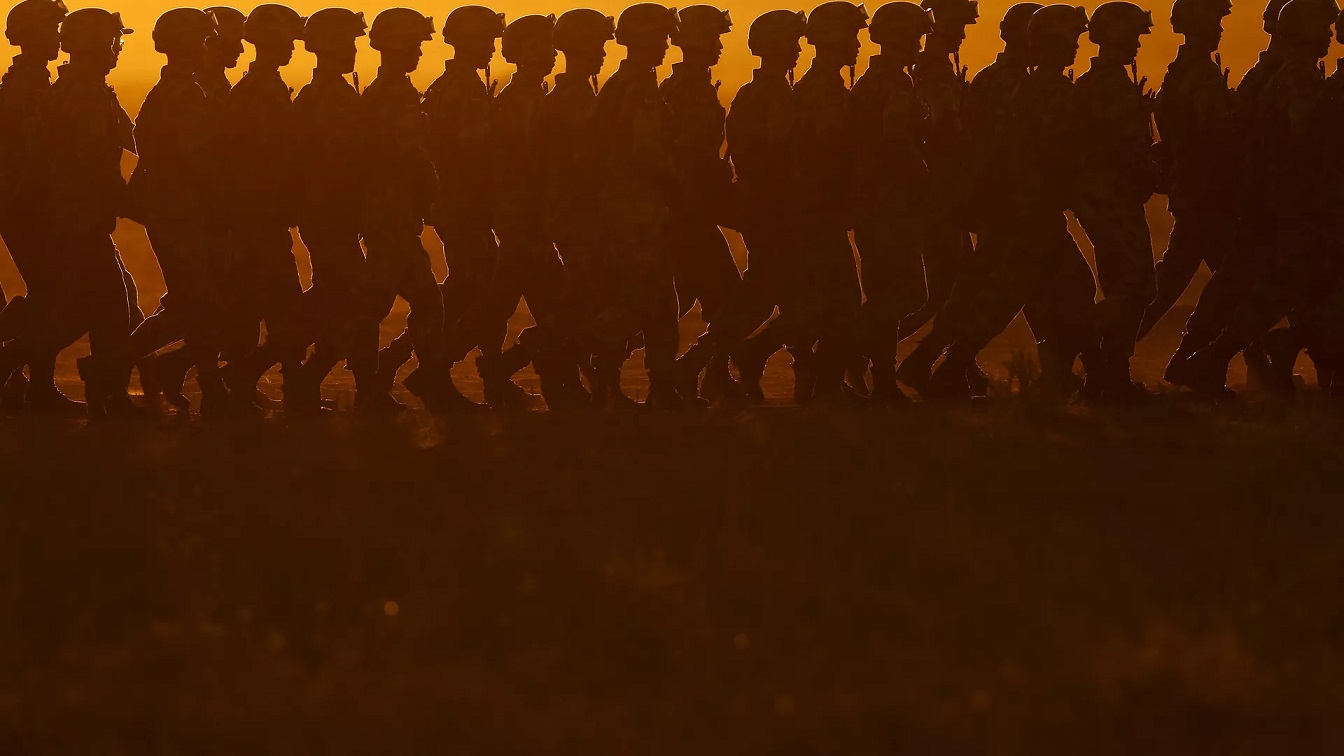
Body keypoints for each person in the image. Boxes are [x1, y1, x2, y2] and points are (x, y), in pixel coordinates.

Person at [897, 3, 1099, 399]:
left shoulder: (994, 79)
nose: (1076, 47)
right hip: (1027, 207)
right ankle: (949, 366)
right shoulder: (1036, 87)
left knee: (1012, 290)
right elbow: (1050, 152)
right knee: (1016, 293)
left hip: (1000, 203)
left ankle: (1073, 373)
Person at [1181, 0, 1339, 398]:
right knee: (1289, 287)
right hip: (1298, 204)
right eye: (1323, 27)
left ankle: (1214, 356)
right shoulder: (1301, 78)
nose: (1329, 35)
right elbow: (1306, 141)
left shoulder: (1282, 74)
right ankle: (1218, 356)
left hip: (1276, 199)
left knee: (1285, 287)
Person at [466, 13, 592, 409]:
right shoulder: (521, 100)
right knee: (539, 302)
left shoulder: (535, 96)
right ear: (519, 52)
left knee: (532, 301)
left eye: (550, 45)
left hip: (531, 217)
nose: (550, 53)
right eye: (540, 45)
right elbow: (528, 165)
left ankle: (552, 385)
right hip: (524, 218)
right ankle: (463, 370)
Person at [384, 5, 507, 406]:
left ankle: (402, 362)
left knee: (466, 289)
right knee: (475, 289)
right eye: (486, 40)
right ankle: (430, 372)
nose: (492, 49)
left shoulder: (451, 84)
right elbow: (470, 151)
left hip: (460, 203)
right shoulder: (463, 88)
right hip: (464, 205)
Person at [288, 8, 396, 411]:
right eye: (348, 42)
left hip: (333, 215)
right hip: (330, 215)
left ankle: (334, 382)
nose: (354, 50)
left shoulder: (331, 93)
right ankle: (267, 368)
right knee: (350, 300)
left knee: (342, 300)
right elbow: (341, 162)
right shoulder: (329, 98)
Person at [129, 8, 234, 415]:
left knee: (197, 304)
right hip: (182, 213)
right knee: (199, 303)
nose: (208, 48)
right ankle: (108, 365)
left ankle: (208, 384)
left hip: (174, 210)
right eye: (204, 41)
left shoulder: (169, 90)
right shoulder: (185, 94)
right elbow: (198, 159)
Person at [359, 7, 462, 412]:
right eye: (415, 44)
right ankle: (373, 390)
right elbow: (407, 156)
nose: (420, 52)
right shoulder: (394, 94)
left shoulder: (389, 91)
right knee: (378, 305)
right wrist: (428, 189)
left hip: (394, 216)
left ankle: (409, 386)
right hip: (391, 217)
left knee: (416, 301)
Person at [586, 2, 684, 407]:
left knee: (651, 300)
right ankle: (580, 346)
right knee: (651, 301)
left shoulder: (623, 84)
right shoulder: (638, 87)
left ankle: (647, 385)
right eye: (661, 38)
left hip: (625, 207)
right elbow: (646, 152)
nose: (666, 45)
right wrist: (677, 179)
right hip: (636, 209)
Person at [45, 7, 139, 416]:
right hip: (77, 219)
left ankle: (107, 391)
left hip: (84, 218)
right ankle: (107, 393)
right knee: (107, 307)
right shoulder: (82, 95)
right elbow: (92, 166)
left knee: (117, 303)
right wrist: (138, 204)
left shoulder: (92, 90)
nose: (116, 50)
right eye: (112, 41)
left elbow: (135, 140)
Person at [217, 4, 307, 410]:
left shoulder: (258, 87)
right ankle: (276, 386)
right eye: (287, 40)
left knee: (257, 303)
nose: (292, 48)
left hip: (255, 213)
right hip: (259, 215)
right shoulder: (262, 91)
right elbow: (269, 157)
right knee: (283, 304)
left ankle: (267, 387)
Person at [1071, 1, 1158, 401]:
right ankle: (1078, 336)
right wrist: (1151, 169)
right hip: (1112, 200)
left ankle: (1109, 376)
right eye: (1132, 36)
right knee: (1136, 288)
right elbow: (1120, 150)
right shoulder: (1107, 87)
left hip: (1109, 199)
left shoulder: (1102, 84)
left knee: (1127, 287)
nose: (1137, 44)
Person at [540, 8, 628, 407]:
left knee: (589, 298)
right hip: (578, 213)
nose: (603, 54)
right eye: (597, 46)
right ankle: (548, 356)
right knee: (596, 297)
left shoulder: (578, 95)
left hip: (580, 211)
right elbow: (585, 165)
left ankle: (587, 379)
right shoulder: (573, 100)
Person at [724, 9, 810, 404]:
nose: (798, 50)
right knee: (771, 297)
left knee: (790, 297)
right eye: (792, 43)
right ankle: (706, 363)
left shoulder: (761, 93)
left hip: (771, 209)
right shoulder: (770, 96)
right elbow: (773, 158)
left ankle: (807, 377)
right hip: (772, 210)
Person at [848, 1, 931, 405]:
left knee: (887, 295)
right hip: (890, 203)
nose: (918, 46)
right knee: (908, 294)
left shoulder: (872, 82)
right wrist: (923, 180)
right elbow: (897, 142)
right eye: (914, 37)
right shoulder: (894, 83)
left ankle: (880, 378)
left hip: (874, 203)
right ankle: (839, 348)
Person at [1137, 0, 1235, 342]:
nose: (1219, 29)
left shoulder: (1180, 71)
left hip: (1197, 189)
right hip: (1206, 193)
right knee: (1181, 280)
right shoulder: (1200, 75)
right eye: (1214, 22)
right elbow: (1213, 137)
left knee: (1228, 279)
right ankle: (1110, 347)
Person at [787, 0, 869, 404]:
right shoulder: (825, 91)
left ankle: (821, 382)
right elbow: (826, 155)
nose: (858, 44)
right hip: (819, 212)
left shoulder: (819, 86)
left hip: (815, 210)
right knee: (841, 302)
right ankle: (824, 382)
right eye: (852, 36)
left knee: (828, 301)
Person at [662, 4, 743, 405]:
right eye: (713, 38)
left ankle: (709, 374)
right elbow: (690, 158)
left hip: (693, 210)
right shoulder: (687, 90)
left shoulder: (692, 85)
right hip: (688, 213)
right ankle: (600, 353)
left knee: (690, 298)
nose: (719, 46)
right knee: (729, 299)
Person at [0, 0, 78, 412]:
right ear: (32, 36)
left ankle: (41, 388)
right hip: (28, 206)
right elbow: (33, 156)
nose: (58, 38)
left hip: (30, 205)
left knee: (50, 297)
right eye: (51, 29)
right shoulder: (28, 87)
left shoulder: (32, 81)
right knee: (56, 297)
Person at [903, 0, 978, 354]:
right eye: (956, 26)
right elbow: (944, 132)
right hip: (939, 193)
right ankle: (855, 351)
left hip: (947, 192)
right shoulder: (934, 71)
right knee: (943, 290)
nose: (961, 35)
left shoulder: (937, 68)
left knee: (957, 287)